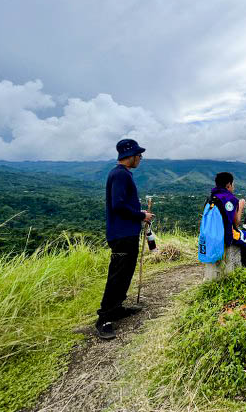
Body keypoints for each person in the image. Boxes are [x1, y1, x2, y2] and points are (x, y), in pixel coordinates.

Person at [96, 139, 154, 340]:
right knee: (118, 275)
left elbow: (122, 205)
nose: (140, 158)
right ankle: (104, 318)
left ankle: (117, 308)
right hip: (121, 235)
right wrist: (140, 215)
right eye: (139, 155)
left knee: (125, 272)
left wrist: (139, 213)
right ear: (130, 156)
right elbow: (118, 205)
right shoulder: (120, 175)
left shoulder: (121, 174)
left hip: (125, 233)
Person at [209, 172, 246, 263]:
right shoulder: (230, 199)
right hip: (227, 235)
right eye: (233, 184)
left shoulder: (212, 197)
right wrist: (240, 206)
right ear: (228, 185)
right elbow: (236, 223)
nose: (233, 187)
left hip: (213, 233)